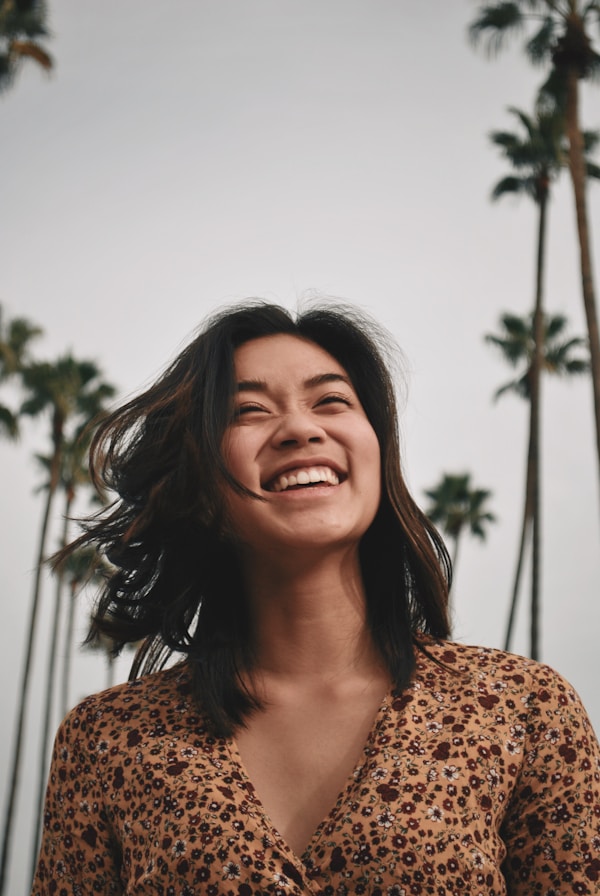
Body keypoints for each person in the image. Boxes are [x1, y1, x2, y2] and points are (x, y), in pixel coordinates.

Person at [32, 302, 600, 896]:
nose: (301, 429)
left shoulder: (522, 709)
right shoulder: (107, 741)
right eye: (248, 410)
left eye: (331, 401)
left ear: (378, 449)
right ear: (199, 477)